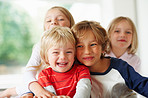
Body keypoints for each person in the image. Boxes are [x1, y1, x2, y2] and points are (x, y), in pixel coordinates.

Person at [0, 6, 75, 98]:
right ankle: (10, 91)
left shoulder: (76, 44)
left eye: (60, 19)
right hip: (43, 84)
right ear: (45, 27)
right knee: (29, 88)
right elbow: (29, 72)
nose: (53, 22)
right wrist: (37, 89)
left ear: (71, 24)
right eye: (48, 21)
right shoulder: (40, 46)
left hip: (63, 83)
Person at [71, 20, 148, 98]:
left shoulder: (120, 67)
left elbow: (142, 84)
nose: (87, 51)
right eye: (80, 46)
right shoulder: (74, 71)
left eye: (93, 44)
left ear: (103, 47)